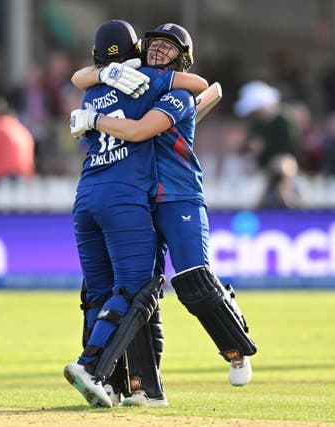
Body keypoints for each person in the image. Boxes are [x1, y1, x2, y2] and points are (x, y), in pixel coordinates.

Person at [71, 22, 257, 405]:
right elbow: (81, 77)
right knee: (144, 291)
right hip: (141, 201)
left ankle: (237, 350)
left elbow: (202, 91)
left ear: (182, 58)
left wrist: (94, 119)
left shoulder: (175, 93)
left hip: (178, 196)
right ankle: (146, 387)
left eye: (169, 48)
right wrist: (107, 71)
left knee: (192, 281)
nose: (158, 51)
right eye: (154, 44)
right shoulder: (134, 80)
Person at [63, 19, 208, 409]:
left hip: (86, 197)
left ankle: (111, 385)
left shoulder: (91, 90)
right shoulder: (146, 79)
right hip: (124, 198)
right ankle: (91, 365)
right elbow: (202, 87)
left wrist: (103, 73)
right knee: (136, 288)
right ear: (137, 49)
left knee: (98, 293)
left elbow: (78, 77)